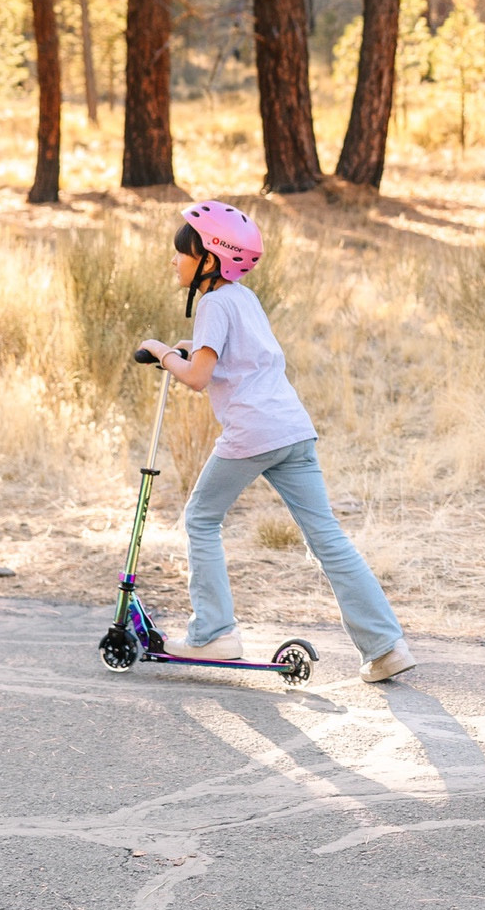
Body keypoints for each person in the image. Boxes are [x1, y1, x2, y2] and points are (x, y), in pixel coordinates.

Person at [137, 201, 416, 684]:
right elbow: (234, 356)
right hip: (293, 429)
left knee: (201, 518)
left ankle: (213, 634)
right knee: (327, 537)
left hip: (252, 432)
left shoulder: (212, 303)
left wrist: (162, 352)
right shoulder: (243, 297)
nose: (174, 260)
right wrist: (188, 348)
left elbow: (198, 378)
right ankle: (385, 646)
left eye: (182, 252)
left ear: (209, 259)